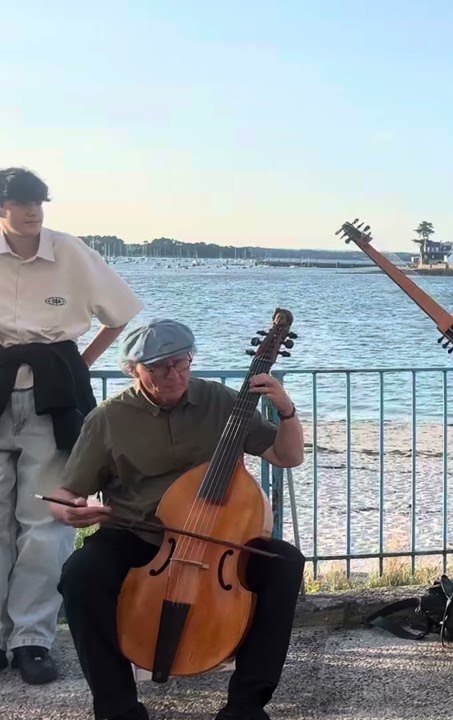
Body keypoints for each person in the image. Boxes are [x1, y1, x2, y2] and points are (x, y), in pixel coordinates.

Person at [44, 319, 307, 720]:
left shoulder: (221, 402)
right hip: (138, 531)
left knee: (285, 564)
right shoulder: (108, 419)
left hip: (216, 537)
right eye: (159, 367)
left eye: (182, 363)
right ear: (134, 369)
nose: (174, 375)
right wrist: (67, 511)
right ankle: (117, 707)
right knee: (80, 574)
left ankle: (246, 706)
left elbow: (287, 457)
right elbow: (66, 494)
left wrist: (286, 410)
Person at [0, 166, 143, 684]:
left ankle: (31, 640)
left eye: (37, 201)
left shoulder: (70, 251)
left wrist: (77, 363)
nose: (31, 211)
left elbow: (120, 312)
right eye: (19, 202)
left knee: (49, 521)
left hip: (56, 394)